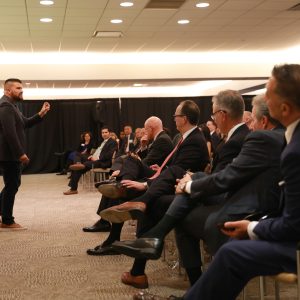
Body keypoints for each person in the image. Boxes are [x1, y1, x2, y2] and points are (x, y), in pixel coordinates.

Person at [135, 64, 300, 300]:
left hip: (284, 235)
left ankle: (156, 238)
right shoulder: (287, 139)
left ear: (284, 108)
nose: (260, 102)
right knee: (188, 186)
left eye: (269, 95)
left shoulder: (289, 147)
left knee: (231, 251)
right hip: (267, 213)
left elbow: (293, 225)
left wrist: (252, 227)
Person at [112, 94, 284, 289]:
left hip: (246, 207)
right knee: (180, 183)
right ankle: (152, 239)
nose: (250, 124)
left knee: (175, 204)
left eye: (252, 119)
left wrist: (190, 184)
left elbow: (229, 177)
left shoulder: (259, 138)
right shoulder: (270, 137)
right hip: (244, 197)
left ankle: (153, 243)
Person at [86, 100, 209, 256]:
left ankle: (120, 194)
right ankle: (120, 189)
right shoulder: (184, 137)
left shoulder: (190, 140)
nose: (173, 119)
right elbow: (174, 166)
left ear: (183, 119)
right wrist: (162, 168)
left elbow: (179, 171)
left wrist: (147, 183)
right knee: (130, 162)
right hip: (165, 175)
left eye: (175, 115)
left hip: (178, 184)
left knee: (130, 179)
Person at [82, 117, 173, 233]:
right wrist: (143, 147)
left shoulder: (162, 140)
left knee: (126, 168)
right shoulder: (159, 138)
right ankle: (104, 220)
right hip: (154, 172)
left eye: (145, 130)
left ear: (151, 128)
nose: (144, 133)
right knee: (121, 170)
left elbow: (145, 163)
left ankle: (105, 221)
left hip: (156, 177)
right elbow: (146, 160)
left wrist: (127, 169)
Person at [0, 78, 50, 230]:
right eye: (18, 88)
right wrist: (20, 153)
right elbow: (10, 133)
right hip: (10, 155)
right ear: (7, 90)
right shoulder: (6, 107)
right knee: (12, 186)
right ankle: (7, 221)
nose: (21, 90)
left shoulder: (12, 106)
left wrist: (41, 114)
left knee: (11, 185)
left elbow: (25, 123)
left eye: (22, 88)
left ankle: (4, 216)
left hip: (10, 155)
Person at [63, 126, 117, 195]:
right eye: (102, 132)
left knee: (80, 167)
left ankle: (73, 189)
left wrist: (98, 158)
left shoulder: (112, 142)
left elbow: (109, 155)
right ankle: (78, 163)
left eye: (106, 132)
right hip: (95, 159)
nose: (104, 134)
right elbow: (98, 151)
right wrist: (93, 156)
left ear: (109, 133)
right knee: (77, 155)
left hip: (102, 162)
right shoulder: (103, 142)